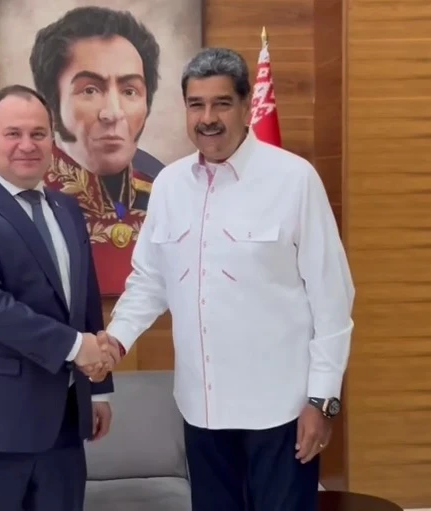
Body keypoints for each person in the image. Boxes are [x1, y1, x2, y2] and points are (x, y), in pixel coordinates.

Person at [100, 48, 355, 510]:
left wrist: (323, 400)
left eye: (221, 103)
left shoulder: (294, 180)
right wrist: (114, 341)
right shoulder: (170, 185)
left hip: (281, 414)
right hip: (202, 412)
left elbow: (332, 299)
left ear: (245, 104)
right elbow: (150, 280)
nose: (208, 118)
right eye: (196, 104)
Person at [0, 84, 120, 511]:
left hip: (64, 425)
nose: (27, 145)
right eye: (13, 133)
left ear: (52, 139)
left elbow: (85, 300)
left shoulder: (68, 210)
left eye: (38, 133)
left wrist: (98, 390)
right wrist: (76, 348)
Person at [29, 6, 164, 295]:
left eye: (130, 91)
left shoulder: (164, 195)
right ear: (50, 104)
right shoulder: (25, 199)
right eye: (90, 90)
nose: (113, 113)